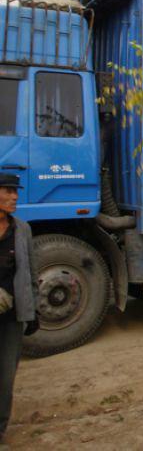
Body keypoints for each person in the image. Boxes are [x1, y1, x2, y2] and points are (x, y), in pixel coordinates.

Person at [0, 173, 39, 443]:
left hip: (11, 316)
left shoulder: (21, 229)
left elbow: (30, 270)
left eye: (15, 191)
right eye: (7, 191)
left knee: (5, 378)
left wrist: (32, 308)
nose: (14, 196)